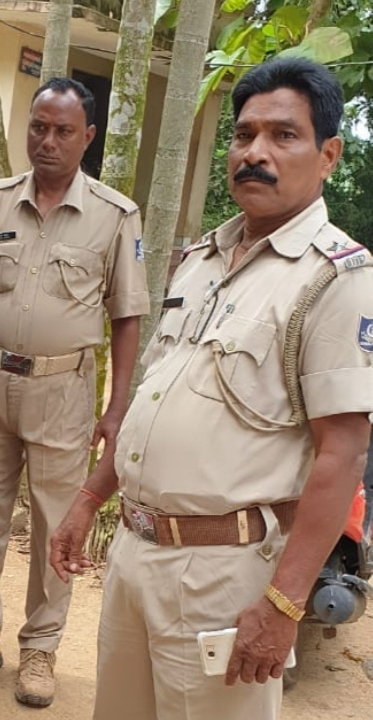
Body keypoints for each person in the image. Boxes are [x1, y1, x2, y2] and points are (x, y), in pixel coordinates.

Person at [50, 57, 373, 720]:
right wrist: (88, 500)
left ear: (328, 155)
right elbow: (155, 400)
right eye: (244, 134)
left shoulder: (336, 278)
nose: (256, 152)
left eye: (283, 135)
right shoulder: (202, 261)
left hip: (226, 574)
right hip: (136, 554)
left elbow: (341, 455)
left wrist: (283, 605)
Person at [0, 77, 150, 708]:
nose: (48, 141)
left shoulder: (115, 216)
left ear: (87, 137)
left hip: (63, 388)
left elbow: (127, 316)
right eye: (39, 127)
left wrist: (116, 406)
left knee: (56, 522)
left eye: (63, 131)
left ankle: (41, 647)